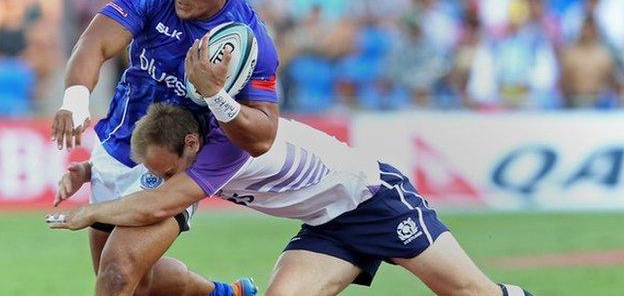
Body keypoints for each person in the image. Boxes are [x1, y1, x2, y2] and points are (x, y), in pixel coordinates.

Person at [48, 103, 533, 296]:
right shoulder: (188, 149)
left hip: (376, 201)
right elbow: (151, 188)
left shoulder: (227, 152)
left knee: (472, 294)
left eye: (164, 171)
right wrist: (90, 171)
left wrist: (87, 213)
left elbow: (152, 206)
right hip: (327, 229)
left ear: (191, 147)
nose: (159, 181)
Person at [49, 0, 280, 295]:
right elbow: (94, 42)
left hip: (172, 170)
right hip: (115, 147)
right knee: (141, 282)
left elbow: (263, 136)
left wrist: (216, 95)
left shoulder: (249, 40)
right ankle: (225, 293)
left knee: (117, 273)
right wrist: (76, 98)